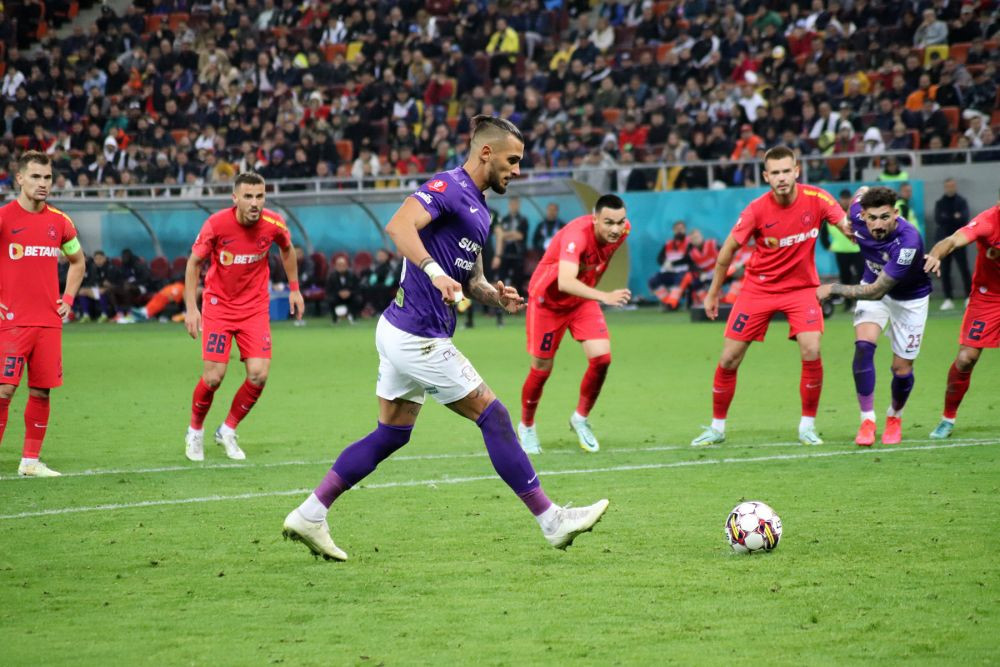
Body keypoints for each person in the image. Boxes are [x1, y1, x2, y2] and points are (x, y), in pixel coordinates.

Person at [282, 116, 609, 562]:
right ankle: (552, 520)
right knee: (494, 417)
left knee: (391, 434)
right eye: (513, 160)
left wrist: (494, 296)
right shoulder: (448, 187)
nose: (517, 170)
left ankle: (310, 513)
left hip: (400, 329)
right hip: (419, 335)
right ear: (486, 153)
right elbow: (399, 226)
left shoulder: (481, 210)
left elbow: (471, 280)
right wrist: (434, 272)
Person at [691, 146, 851, 447]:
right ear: (766, 177)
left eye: (786, 171)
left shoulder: (817, 198)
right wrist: (713, 293)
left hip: (801, 289)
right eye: (775, 173)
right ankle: (717, 428)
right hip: (759, 289)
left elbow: (845, 226)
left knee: (811, 349)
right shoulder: (756, 210)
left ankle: (807, 427)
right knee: (729, 358)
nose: (782, 177)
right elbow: (727, 252)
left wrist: (856, 227)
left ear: (796, 171)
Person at [182, 172, 304, 462]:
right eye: (248, 196)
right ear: (235, 198)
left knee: (259, 374)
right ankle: (195, 430)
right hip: (219, 307)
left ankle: (227, 429)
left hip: (254, 308)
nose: (254, 203)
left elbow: (287, 249)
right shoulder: (216, 225)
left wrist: (294, 289)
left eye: (260, 196)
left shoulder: (274, 223)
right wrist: (191, 308)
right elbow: (194, 263)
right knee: (214, 377)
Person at [816, 186, 932, 446]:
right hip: (872, 283)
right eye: (872, 218)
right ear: (863, 215)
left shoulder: (909, 242)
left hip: (909, 299)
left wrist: (833, 289)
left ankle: (895, 416)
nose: (878, 224)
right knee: (863, 347)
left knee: (901, 369)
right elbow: (861, 192)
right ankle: (867, 420)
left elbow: (877, 291)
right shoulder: (856, 214)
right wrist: (849, 222)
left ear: (896, 214)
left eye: (885, 217)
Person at [517, 194, 631, 455]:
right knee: (542, 368)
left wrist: (593, 290)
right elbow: (565, 281)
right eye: (609, 222)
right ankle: (527, 426)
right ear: (595, 219)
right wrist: (604, 296)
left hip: (581, 301)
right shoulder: (576, 237)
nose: (616, 229)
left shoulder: (623, 231)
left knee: (602, 358)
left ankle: (580, 418)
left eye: (620, 222)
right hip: (547, 303)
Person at [0, 151, 86, 477]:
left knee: (41, 390)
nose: (43, 183)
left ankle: (30, 461)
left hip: (48, 322)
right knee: (4, 390)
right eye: (36, 176)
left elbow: (78, 262)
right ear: (19, 178)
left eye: (47, 177)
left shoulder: (60, 222)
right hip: (11, 322)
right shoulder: (4, 217)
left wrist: (68, 298)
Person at [923, 200, 1000, 439]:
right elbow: (954, 240)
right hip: (989, 298)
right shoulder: (988, 221)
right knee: (966, 359)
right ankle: (948, 418)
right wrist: (936, 254)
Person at [819, 189, 864, 311]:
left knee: (861, 277)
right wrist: (828, 246)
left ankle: (861, 303)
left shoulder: (855, 212)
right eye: (844, 199)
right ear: (840, 199)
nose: (845, 201)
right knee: (845, 278)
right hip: (841, 251)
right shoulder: (834, 213)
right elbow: (823, 232)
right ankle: (848, 304)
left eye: (847, 199)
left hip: (857, 250)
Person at [933, 178, 971, 310]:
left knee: (964, 269)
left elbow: (964, 218)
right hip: (944, 241)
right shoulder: (940, 203)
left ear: (955, 186)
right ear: (945, 187)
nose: (950, 188)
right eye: (948, 186)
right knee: (945, 270)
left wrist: (949, 217)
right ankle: (948, 299)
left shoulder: (961, 201)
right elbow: (939, 219)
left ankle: (968, 297)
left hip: (959, 241)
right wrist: (954, 217)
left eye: (952, 186)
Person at [648, 220, 689, 310]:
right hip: (668, 272)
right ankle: (668, 302)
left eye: (681, 229)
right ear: (674, 230)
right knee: (653, 281)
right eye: (677, 229)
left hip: (683, 272)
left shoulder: (689, 243)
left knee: (679, 280)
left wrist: (673, 263)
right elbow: (659, 258)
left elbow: (689, 258)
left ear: (685, 230)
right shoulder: (669, 243)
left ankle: (671, 304)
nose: (679, 231)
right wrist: (665, 263)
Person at [493, 195, 529, 295]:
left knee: (518, 279)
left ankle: (519, 299)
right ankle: (500, 299)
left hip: (518, 254)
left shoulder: (523, 220)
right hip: (505, 253)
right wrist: (512, 234)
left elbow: (520, 236)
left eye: (516, 204)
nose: (514, 206)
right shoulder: (504, 219)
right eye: (512, 204)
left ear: (518, 205)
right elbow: (499, 235)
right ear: (509, 205)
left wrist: (505, 235)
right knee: (501, 278)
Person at [326, 255, 363, 323]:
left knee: (357, 299)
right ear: (335, 266)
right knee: (330, 299)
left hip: (350, 296)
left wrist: (349, 292)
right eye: (339, 265)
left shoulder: (353, 275)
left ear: (347, 266)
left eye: (343, 265)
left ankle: (353, 317)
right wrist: (338, 293)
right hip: (337, 296)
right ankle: (335, 318)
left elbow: (357, 288)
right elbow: (329, 290)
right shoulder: (331, 276)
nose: (341, 267)